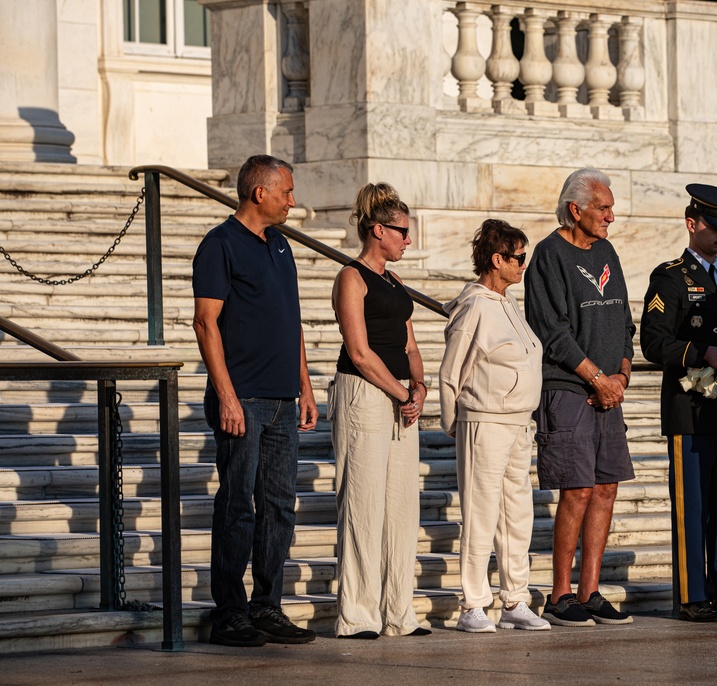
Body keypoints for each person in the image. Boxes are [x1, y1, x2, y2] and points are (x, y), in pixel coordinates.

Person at [192, 154, 318, 647]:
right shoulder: (219, 245)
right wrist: (226, 395)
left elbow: (293, 322)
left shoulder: (281, 245)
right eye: (286, 191)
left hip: (283, 399)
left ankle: (267, 607)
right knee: (237, 506)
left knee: (279, 507)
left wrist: (304, 386)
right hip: (242, 397)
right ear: (258, 193)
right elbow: (206, 324)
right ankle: (229, 612)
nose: (292, 200)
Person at [639, 184, 717, 623]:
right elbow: (654, 343)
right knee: (693, 503)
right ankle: (693, 595)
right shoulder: (670, 277)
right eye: (714, 225)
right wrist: (700, 351)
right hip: (689, 406)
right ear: (692, 224)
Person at [524, 167, 636, 627]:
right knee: (577, 490)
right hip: (569, 389)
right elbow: (552, 332)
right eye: (603, 208)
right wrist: (595, 378)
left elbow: (625, 321)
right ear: (577, 209)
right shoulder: (548, 257)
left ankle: (590, 591)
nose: (611, 216)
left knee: (606, 488)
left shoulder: (606, 251)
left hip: (611, 389)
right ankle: (559, 594)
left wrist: (622, 376)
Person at [328, 182, 430, 639]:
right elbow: (359, 350)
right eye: (402, 231)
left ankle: (398, 614)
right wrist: (400, 393)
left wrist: (420, 387)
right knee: (362, 505)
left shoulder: (395, 280)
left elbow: (409, 343)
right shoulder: (351, 276)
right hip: (364, 395)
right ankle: (357, 616)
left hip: (400, 396)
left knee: (402, 508)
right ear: (377, 230)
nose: (408, 239)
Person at [439, 219, 550, 634]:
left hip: (519, 424)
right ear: (496, 259)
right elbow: (451, 372)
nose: (524, 264)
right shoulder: (476, 305)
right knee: (481, 514)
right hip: (485, 421)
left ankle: (515, 599)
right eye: (518, 257)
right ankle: (473, 603)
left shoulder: (507, 304)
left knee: (516, 515)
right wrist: (456, 423)